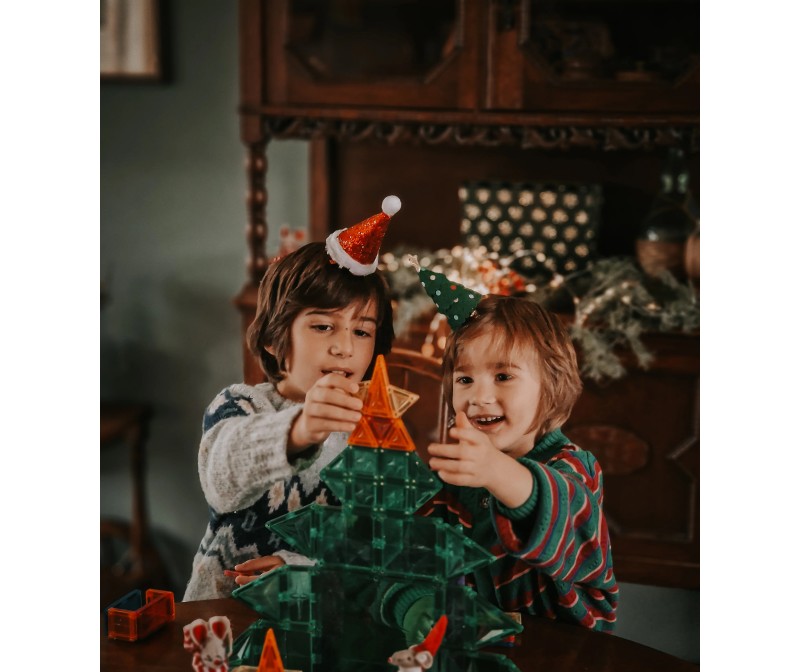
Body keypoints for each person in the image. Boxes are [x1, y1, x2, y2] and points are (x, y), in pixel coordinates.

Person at [183, 197, 401, 600]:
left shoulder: (375, 429)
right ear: (273, 338)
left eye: (361, 331)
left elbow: (375, 543)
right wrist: (299, 430)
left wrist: (299, 566)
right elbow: (222, 477)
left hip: (320, 614)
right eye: (322, 326)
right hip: (224, 614)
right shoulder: (241, 406)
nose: (344, 348)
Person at [420, 271, 617, 631]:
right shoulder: (454, 472)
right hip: (477, 638)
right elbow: (418, 548)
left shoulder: (573, 465)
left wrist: (495, 470)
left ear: (551, 384)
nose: (479, 397)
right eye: (465, 379)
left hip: (568, 644)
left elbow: (567, 510)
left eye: (503, 376)